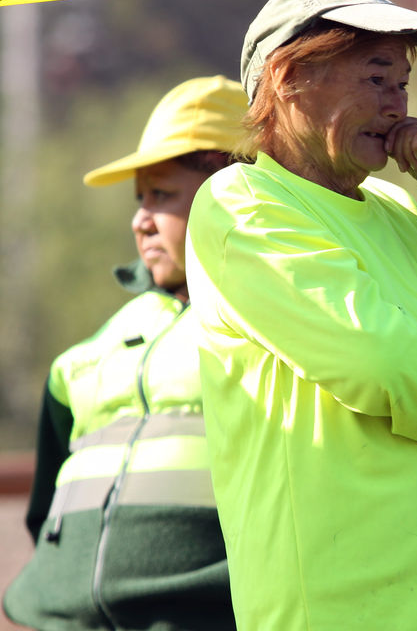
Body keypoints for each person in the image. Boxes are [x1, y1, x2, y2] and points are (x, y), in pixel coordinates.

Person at [183, 0, 417, 630]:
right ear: (290, 77)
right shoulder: (241, 205)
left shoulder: (400, 209)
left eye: (403, 83)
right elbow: (380, 362)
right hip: (342, 609)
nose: (398, 104)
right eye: (378, 77)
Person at [3, 75, 247, 630]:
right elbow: (44, 511)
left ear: (232, 190)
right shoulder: (86, 355)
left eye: (161, 195)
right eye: (139, 199)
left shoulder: (281, 327)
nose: (139, 220)